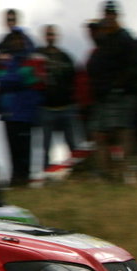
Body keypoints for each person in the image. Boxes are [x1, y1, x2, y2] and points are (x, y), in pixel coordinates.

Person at [86, 1, 137, 179]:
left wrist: (119, 84)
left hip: (121, 94)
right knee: (100, 134)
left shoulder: (124, 38)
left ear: (117, 15)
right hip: (102, 95)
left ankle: (124, 171)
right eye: (107, 13)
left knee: (123, 133)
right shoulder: (103, 39)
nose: (109, 16)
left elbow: (132, 66)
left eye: (112, 13)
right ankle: (106, 173)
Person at [0, 29, 44, 187]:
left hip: (25, 112)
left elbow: (24, 78)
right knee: (12, 149)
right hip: (8, 112)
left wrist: (8, 75)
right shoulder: (8, 61)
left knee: (24, 150)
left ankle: (24, 178)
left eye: (18, 39)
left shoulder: (30, 60)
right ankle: (16, 178)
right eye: (13, 40)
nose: (16, 43)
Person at [37, 26, 84, 176]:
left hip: (66, 107)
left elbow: (75, 79)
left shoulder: (65, 57)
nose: (50, 37)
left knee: (72, 145)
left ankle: (77, 172)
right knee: (46, 147)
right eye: (48, 34)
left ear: (56, 36)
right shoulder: (37, 57)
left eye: (52, 34)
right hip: (46, 108)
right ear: (44, 36)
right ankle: (46, 173)